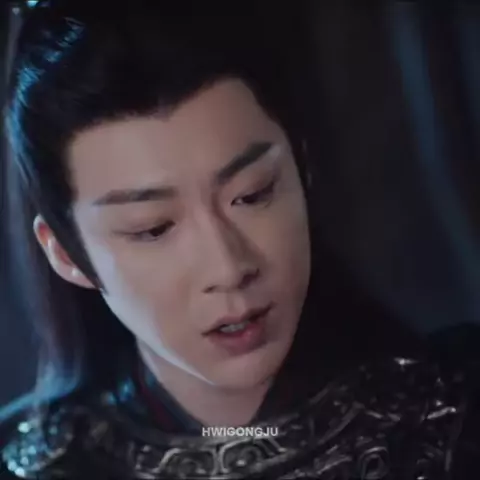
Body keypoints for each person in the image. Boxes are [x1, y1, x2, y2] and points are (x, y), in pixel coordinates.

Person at [1, 1, 479, 478]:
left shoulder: (455, 413)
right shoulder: (33, 466)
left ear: (301, 170)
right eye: (153, 228)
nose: (228, 268)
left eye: (252, 195)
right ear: (66, 253)